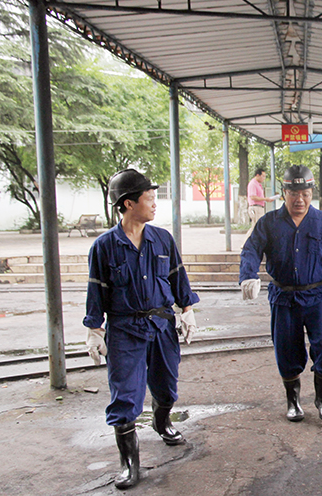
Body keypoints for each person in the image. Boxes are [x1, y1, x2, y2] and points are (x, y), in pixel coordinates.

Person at [84, 168, 199, 489]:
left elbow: (177, 277)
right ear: (129, 203)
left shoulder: (162, 239)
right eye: (149, 198)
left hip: (161, 325)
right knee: (125, 396)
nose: (154, 203)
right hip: (125, 329)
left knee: (166, 386)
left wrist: (187, 310)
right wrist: (94, 329)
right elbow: (96, 290)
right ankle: (129, 464)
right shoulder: (104, 246)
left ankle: (162, 423)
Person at [240, 165, 322, 422]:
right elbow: (251, 250)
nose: (299, 199)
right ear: (284, 193)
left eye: (305, 193)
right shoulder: (269, 223)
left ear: (312, 193)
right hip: (283, 297)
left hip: (316, 297)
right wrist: (248, 275)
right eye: (293, 193)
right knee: (287, 351)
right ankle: (293, 401)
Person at [246, 167, 270, 238]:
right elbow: (253, 197)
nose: (264, 178)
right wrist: (265, 199)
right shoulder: (253, 184)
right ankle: (246, 241)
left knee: (258, 227)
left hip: (259, 207)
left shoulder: (258, 184)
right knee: (256, 227)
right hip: (255, 207)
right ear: (257, 175)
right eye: (263, 176)